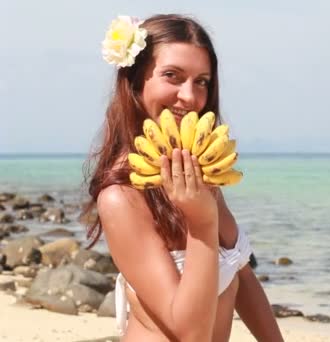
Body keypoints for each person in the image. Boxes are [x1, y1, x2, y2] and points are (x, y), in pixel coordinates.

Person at [82, 14, 283, 342]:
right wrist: (202, 224)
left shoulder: (198, 174)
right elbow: (191, 333)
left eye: (201, 81)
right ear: (135, 81)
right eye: (172, 76)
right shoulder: (122, 196)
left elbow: (242, 275)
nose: (190, 97)